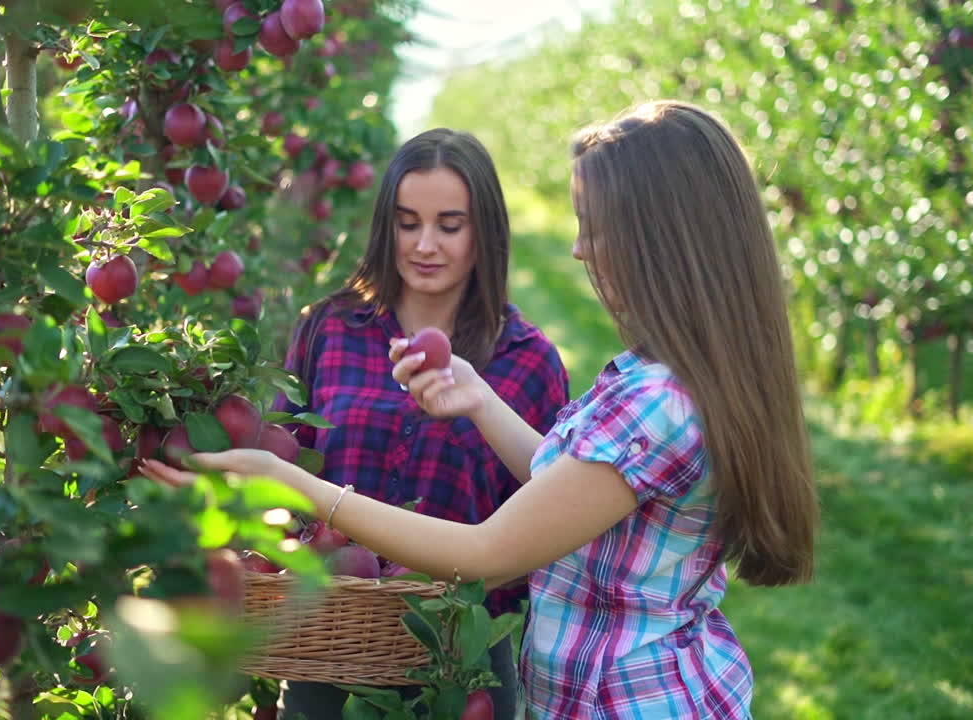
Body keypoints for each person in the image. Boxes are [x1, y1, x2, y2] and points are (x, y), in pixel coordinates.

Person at [144, 100, 818, 719]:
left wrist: (292, 483)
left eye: (596, 228)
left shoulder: (653, 401)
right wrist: (482, 401)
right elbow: (573, 489)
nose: (579, 248)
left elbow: (487, 553)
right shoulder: (655, 379)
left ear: (662, 241)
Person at [268, 128, 570, 720]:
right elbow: (290, 459)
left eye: (449, 225)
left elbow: (550, 513)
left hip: (461, 667)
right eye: (408, 223)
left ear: (484, 232)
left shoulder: (527, 361)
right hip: (328, 642)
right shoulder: (330, 329)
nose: (425, 244)